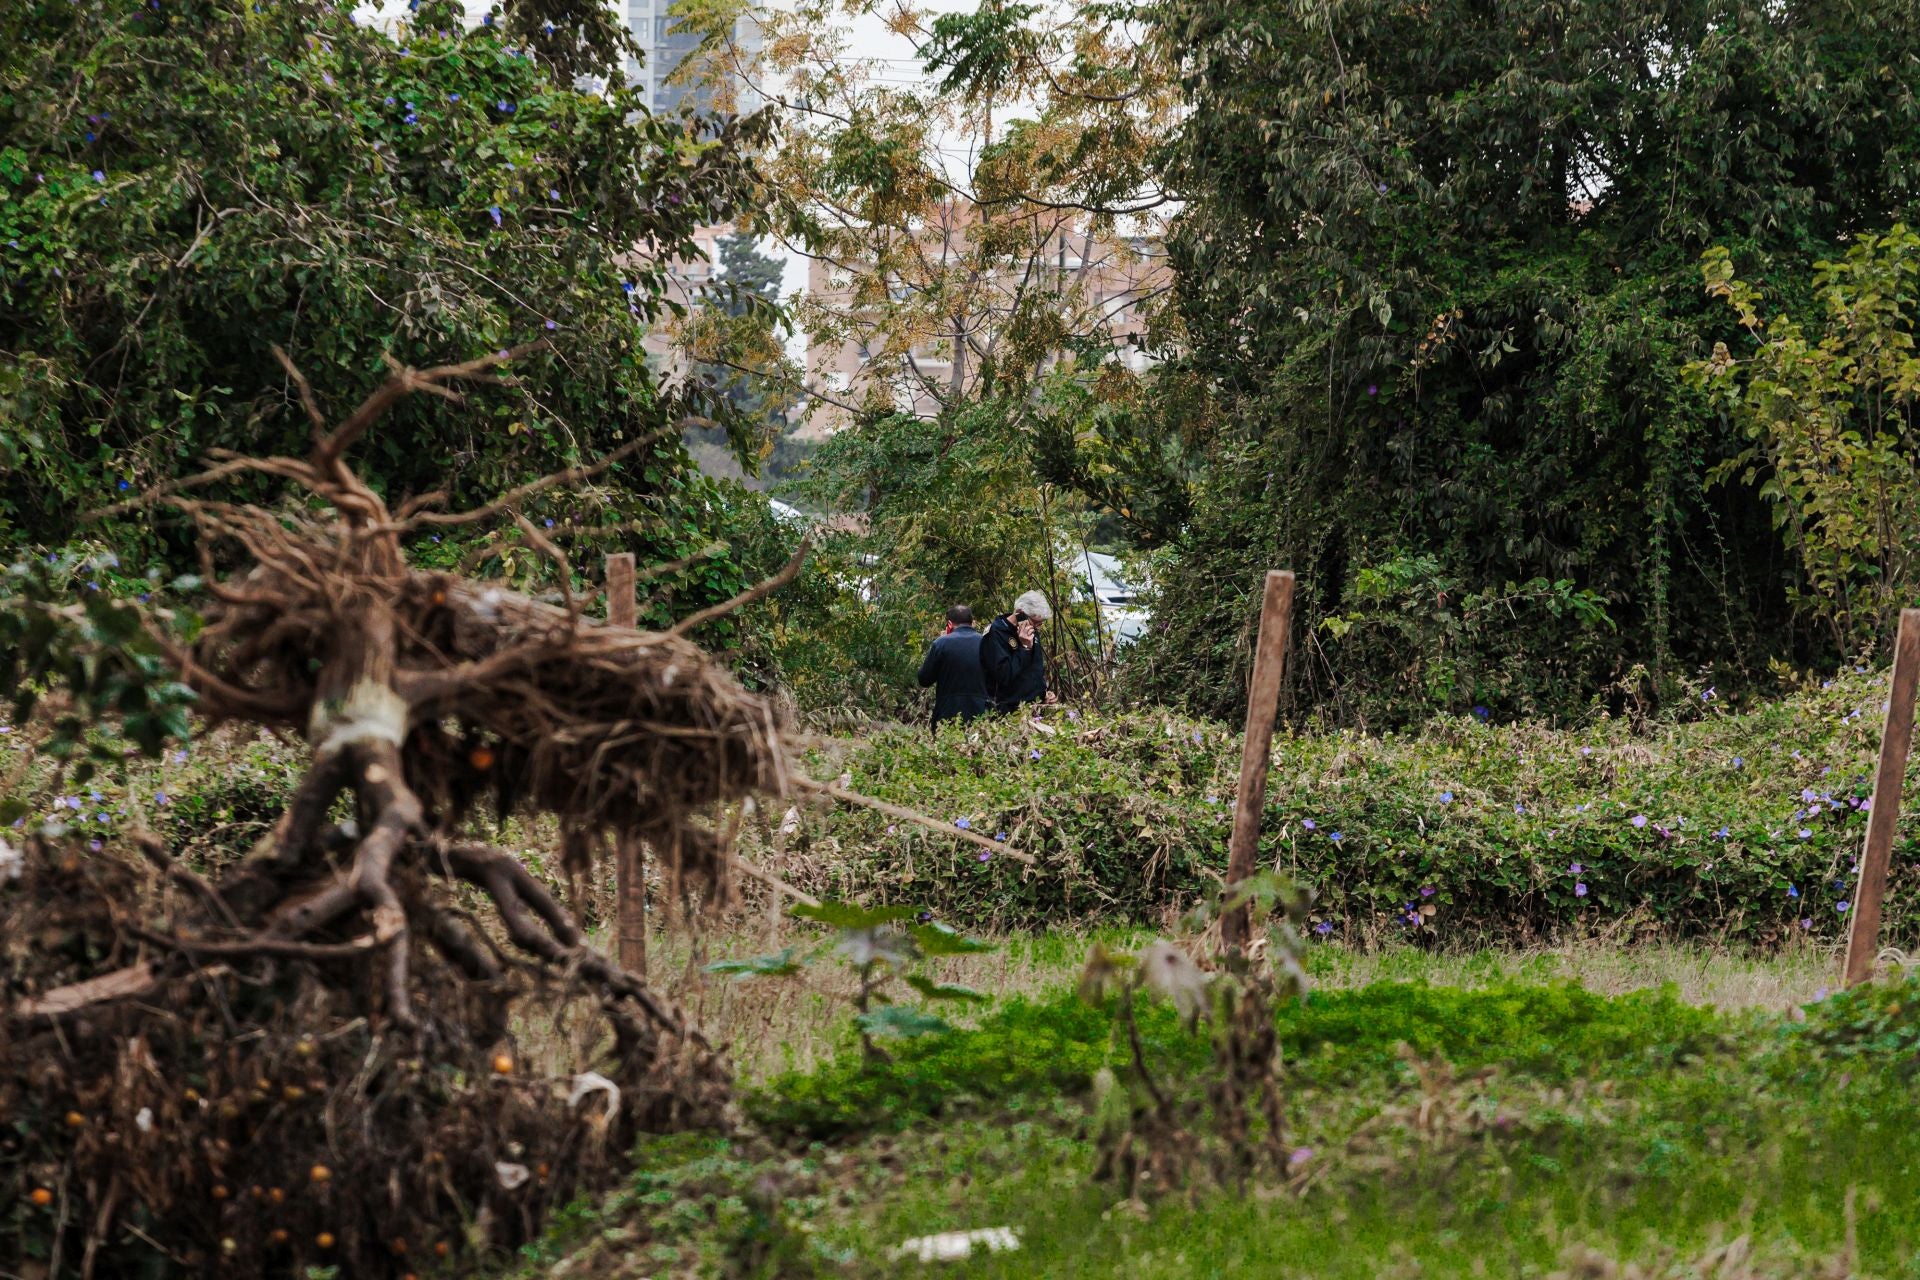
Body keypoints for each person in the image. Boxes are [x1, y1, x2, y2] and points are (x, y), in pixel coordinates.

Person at [982, 590, 1056, 713]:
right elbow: (1003, 675)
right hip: (1009, 712)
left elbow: (1035, 669)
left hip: (1035, 709)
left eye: (1041, 623)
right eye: (1036, 622)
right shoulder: (995, 633)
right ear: (1019, 613)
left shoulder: (1032, 631)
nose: (1038, 627)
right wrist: (1024, 647)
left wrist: (1044, 693)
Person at [916, 605, 990, 727]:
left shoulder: (941, 644)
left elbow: (924, 679)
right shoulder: (986, 643)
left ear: (949, 624)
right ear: (973, 623)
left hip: (948, 714)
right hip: (980, 712)